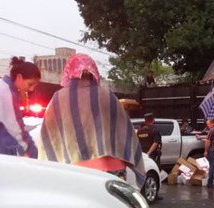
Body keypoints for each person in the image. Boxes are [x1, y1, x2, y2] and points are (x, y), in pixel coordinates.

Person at [38, 53, 145, 185]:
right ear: (94, 72)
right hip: (113, 169)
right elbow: (125, 133)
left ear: (69, 72)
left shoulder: (58, 99)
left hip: (75, 170)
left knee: (80, 206)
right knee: (112, 205)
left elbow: (49, 137)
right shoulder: (107, 95)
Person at [0, 57, 40, 158]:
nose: (31, 89)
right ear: (19, 77)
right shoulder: (7, 93)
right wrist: (32, 155)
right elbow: (16, 131)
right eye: (30, 84)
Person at [204, 119, 214, 187]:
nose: (208, 126)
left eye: (209, 124)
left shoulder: (212, 130)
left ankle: (210, 181)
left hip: (212, 150)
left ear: (213, 123)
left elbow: (208, 141)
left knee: (212, 165)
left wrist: (206, 151)